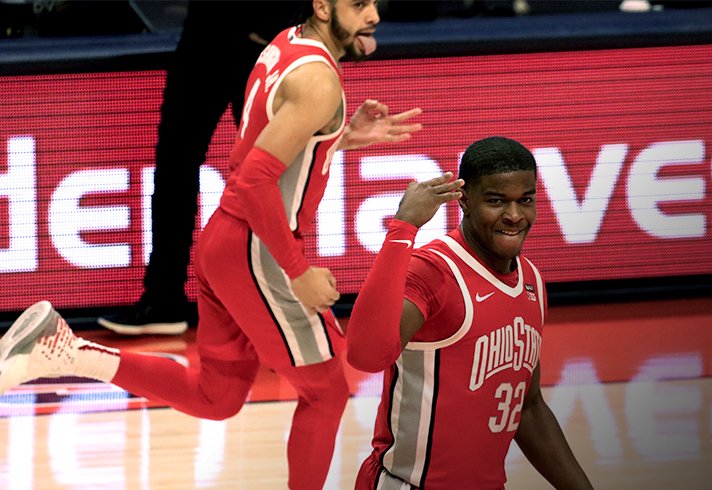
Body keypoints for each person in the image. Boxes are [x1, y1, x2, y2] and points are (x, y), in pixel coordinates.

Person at [0, 1, 422, 488]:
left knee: (216, 397)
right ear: (323, 6)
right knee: (325, 393)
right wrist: (298, 271)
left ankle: (67, 351)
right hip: (258, 250)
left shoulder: (285, 44)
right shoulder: (320, 81)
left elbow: (268, 144)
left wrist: (339, 138)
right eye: (358, 4)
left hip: (225, 242)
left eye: (373, 3)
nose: (372, 14)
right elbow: (252, 182)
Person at [345, 136, 594, 489]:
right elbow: (365, 354)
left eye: (525, 200)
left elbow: (529, 407)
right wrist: (402, 228)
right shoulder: (433, 270)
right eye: (496, 201)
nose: (513, 215)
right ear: (464, 200)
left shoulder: (531, 282)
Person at [98, 0, 310, 335]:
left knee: (265, 173)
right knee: (174, 168)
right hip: (205, 36)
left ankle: (277, 302)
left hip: (266, 47)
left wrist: (281, 22)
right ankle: (163, 299)